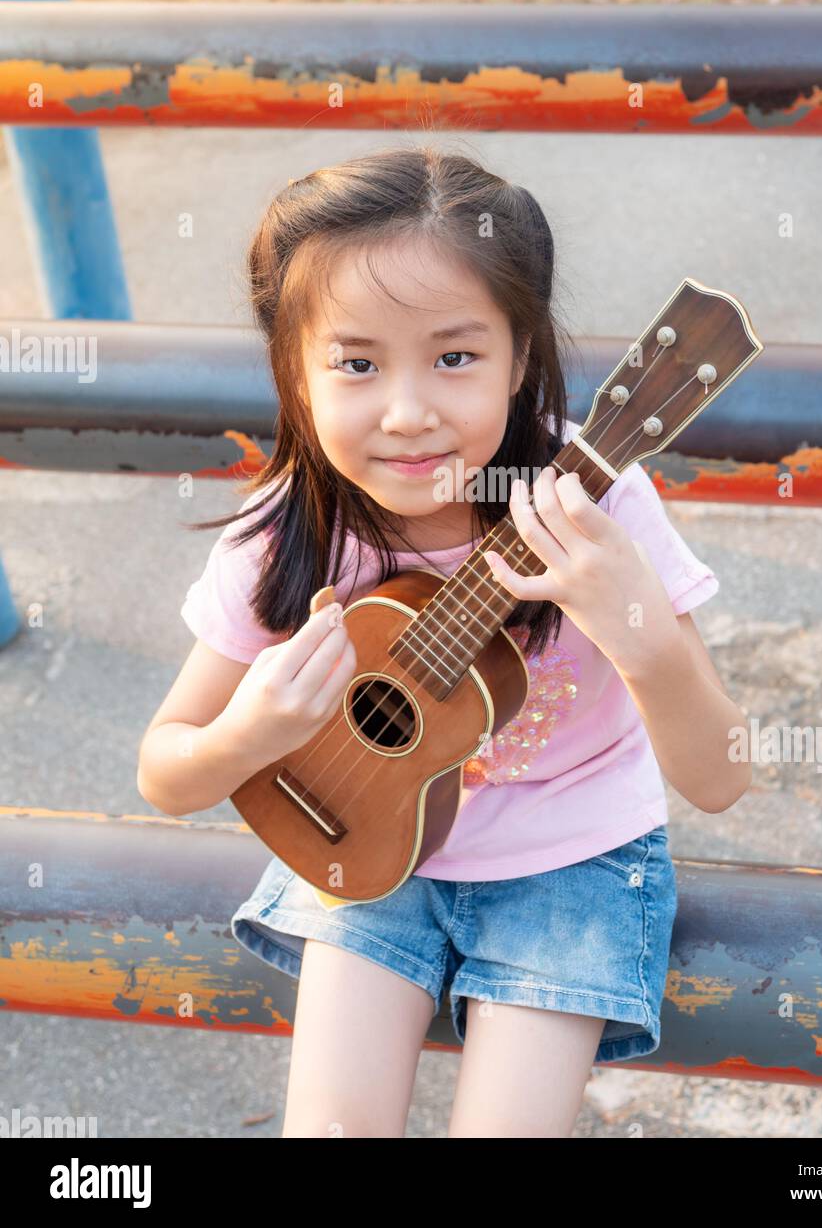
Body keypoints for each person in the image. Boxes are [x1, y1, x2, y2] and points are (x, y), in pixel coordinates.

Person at [137, 144, 750, 1138]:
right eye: (357, 363)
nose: (409, 411)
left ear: (520, 358)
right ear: (293, 373)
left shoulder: (594, 507)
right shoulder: (295, 528)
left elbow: (722, 777)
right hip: (359, 835)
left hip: (573, 860)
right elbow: (167, 772)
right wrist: (248, 734)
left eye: (456, 357)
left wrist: (635, 622)